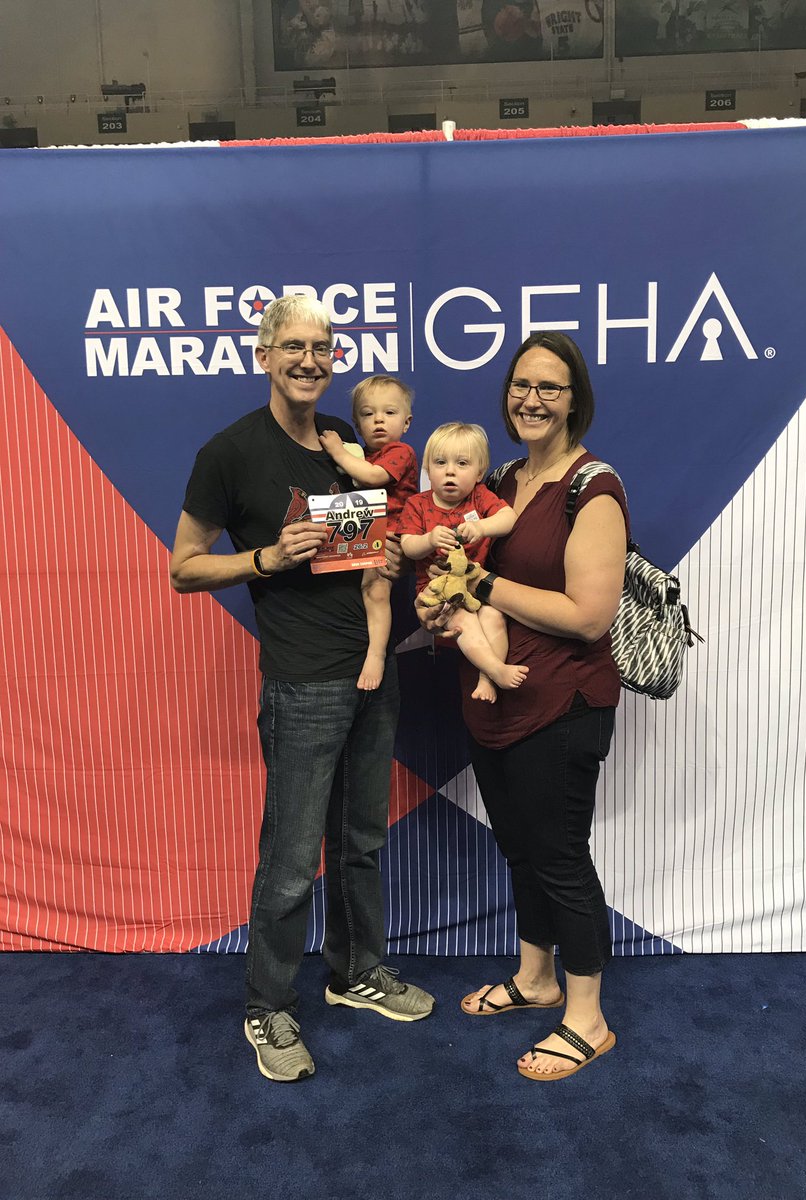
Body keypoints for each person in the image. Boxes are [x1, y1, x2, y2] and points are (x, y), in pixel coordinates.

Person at [170, 295, 434, 1085]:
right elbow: (184, 566)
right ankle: (267, 1006)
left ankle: (355, 973)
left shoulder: (344, 440)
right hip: (301, 683)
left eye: (322, 347)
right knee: (290, 860)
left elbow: (367, 543)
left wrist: (389, 558)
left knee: (360, 841)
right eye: (293, 346)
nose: (309, 360)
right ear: (264, 356)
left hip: (371, 670)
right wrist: (266, 559)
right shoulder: (228, 452)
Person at [416, 333, 628, 1081]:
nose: (531, 400)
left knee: (560, 856)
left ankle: (588, 1016)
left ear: (574, 400)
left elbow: (589, 617)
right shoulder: (502, 477)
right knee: (520, 848)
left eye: (549, 387)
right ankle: (536, 978)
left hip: (562, 704)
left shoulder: (593, 487)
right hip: (495, 702)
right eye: (521, 386)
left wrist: (477, 585)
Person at [398, 421, 528, 702]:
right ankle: (495, 669)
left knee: (494, 617)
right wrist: (429, 539)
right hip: (437, 591)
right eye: (440, 462)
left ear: (479, 473)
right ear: (427, 470)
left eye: (462, 463)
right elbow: (408, 547)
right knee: (462, 620)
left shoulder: (479, 497)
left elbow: (508, 518)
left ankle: (487, 677)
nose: (450, 471)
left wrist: (482, 527)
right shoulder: (418, 504)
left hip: (475, 587)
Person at [318, 374, 418, 691]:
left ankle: (376, 655)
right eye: (367, 413)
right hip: (364, 534)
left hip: (392, 535)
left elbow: (373, 477)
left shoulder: (401, 451)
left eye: (389, 412)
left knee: (376, 591)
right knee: (362, 590)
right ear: (357, 424)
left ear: (406, 422)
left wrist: (338, 452)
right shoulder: (362, 454)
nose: (378, 420)